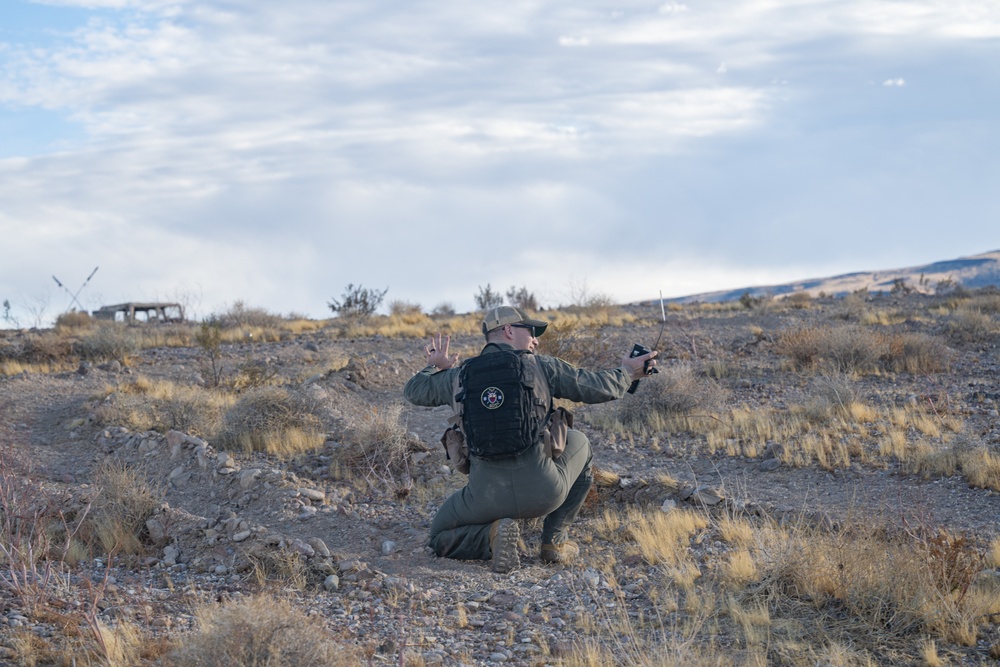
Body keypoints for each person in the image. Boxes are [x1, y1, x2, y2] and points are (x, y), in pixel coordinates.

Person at [404, 305, 658, 572]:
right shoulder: (543, 366)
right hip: (545, 492)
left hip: (484, 498)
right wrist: (627, 372)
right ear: (509, 330)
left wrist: (436, 368)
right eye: (531, 331)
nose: (535, 339)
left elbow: (414, 391)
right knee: (579, 440)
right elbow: (597, 387)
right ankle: (554, 543)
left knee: (439, 536)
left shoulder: (458, 376)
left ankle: (491, 536)